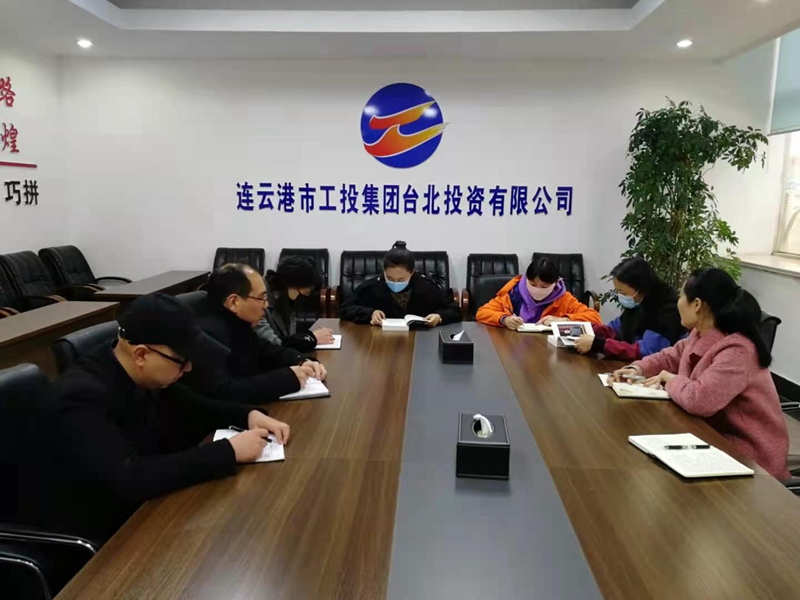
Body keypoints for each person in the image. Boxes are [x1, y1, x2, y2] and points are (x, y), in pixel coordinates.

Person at [17, 294, 291, 544]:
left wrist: (248, 414)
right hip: (96, 532)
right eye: (181, 360)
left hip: (141, 509)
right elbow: (131, 477)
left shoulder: (137, 372)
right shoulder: (81, 396)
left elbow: (196, 406)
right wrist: (228, 451)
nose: (189, 368)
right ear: (141, 354)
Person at [612, 268, 789, 480]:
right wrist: (637, 369)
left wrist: (671, 379)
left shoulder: (737, 350)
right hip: (710, 438)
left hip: (749, 457)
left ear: (697, 304)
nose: (677, 302)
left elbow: (699, 400)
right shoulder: (700, 333)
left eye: (680, 296)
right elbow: (670, 357)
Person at [182, 263, 327, 404]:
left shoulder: (235, 320)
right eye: (262, 298)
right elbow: (223, 390)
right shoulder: (206, 331)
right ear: (233, 302)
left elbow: (266, 350)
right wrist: (288, 378)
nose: (266, 305)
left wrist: (302, 360)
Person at [574, 257, 685, 359]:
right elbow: (615, 329)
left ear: (640, 289)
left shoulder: (667, 310)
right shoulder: (638, 302)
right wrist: (585, 328)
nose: (620, 296)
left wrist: (599, 345)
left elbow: (646, 351)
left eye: (623, 293)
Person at [340, 241, 462, 327]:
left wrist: (439, 317)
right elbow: (346, 309)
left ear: (412, 272)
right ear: (384, 271)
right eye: (390, 278)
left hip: (419, 341)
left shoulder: (426, 287)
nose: (395, 283)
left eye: (400, 279)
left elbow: (455, 310)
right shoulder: (371, 287)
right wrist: (370, 313)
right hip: (379, 342)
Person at [476, 257, 601, 329]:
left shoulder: (564, 298)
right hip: (514, 347)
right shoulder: (513, 293)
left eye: (544, 286)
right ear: (526, 279)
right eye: (533, 284)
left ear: (555, 283)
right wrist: (504, 320)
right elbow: (482, 313)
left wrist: (564, 320)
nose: (537, 290)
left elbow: (595, 319)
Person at [255, 255, 335, 352]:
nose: (306, 295)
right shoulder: (257, 300)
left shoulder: (286, 296)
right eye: (306, 291)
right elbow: (273, 345)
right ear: (293, 282)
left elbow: (290, 337)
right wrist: (311, 338)